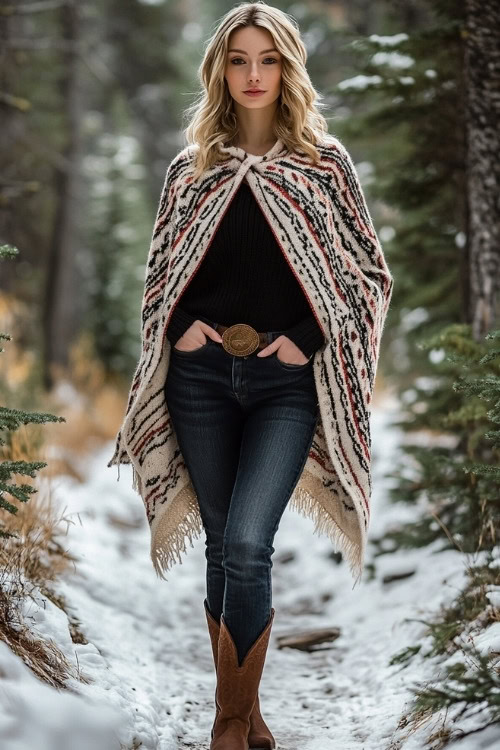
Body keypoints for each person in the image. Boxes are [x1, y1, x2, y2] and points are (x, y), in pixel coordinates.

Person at [107, 3, 394, 748]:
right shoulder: (190, 169)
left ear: (288, 67)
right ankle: (240, 718)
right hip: (200, 379)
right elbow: (159, 281)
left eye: (268, 59)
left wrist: (307, 339)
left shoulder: (324, 167)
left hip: (285, 384)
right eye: (239, 59)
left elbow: (368, 277)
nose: (254, 74)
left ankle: (231, 718)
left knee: (245, 541)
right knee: (217, 545)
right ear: (220, 71)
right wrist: (180, 327)